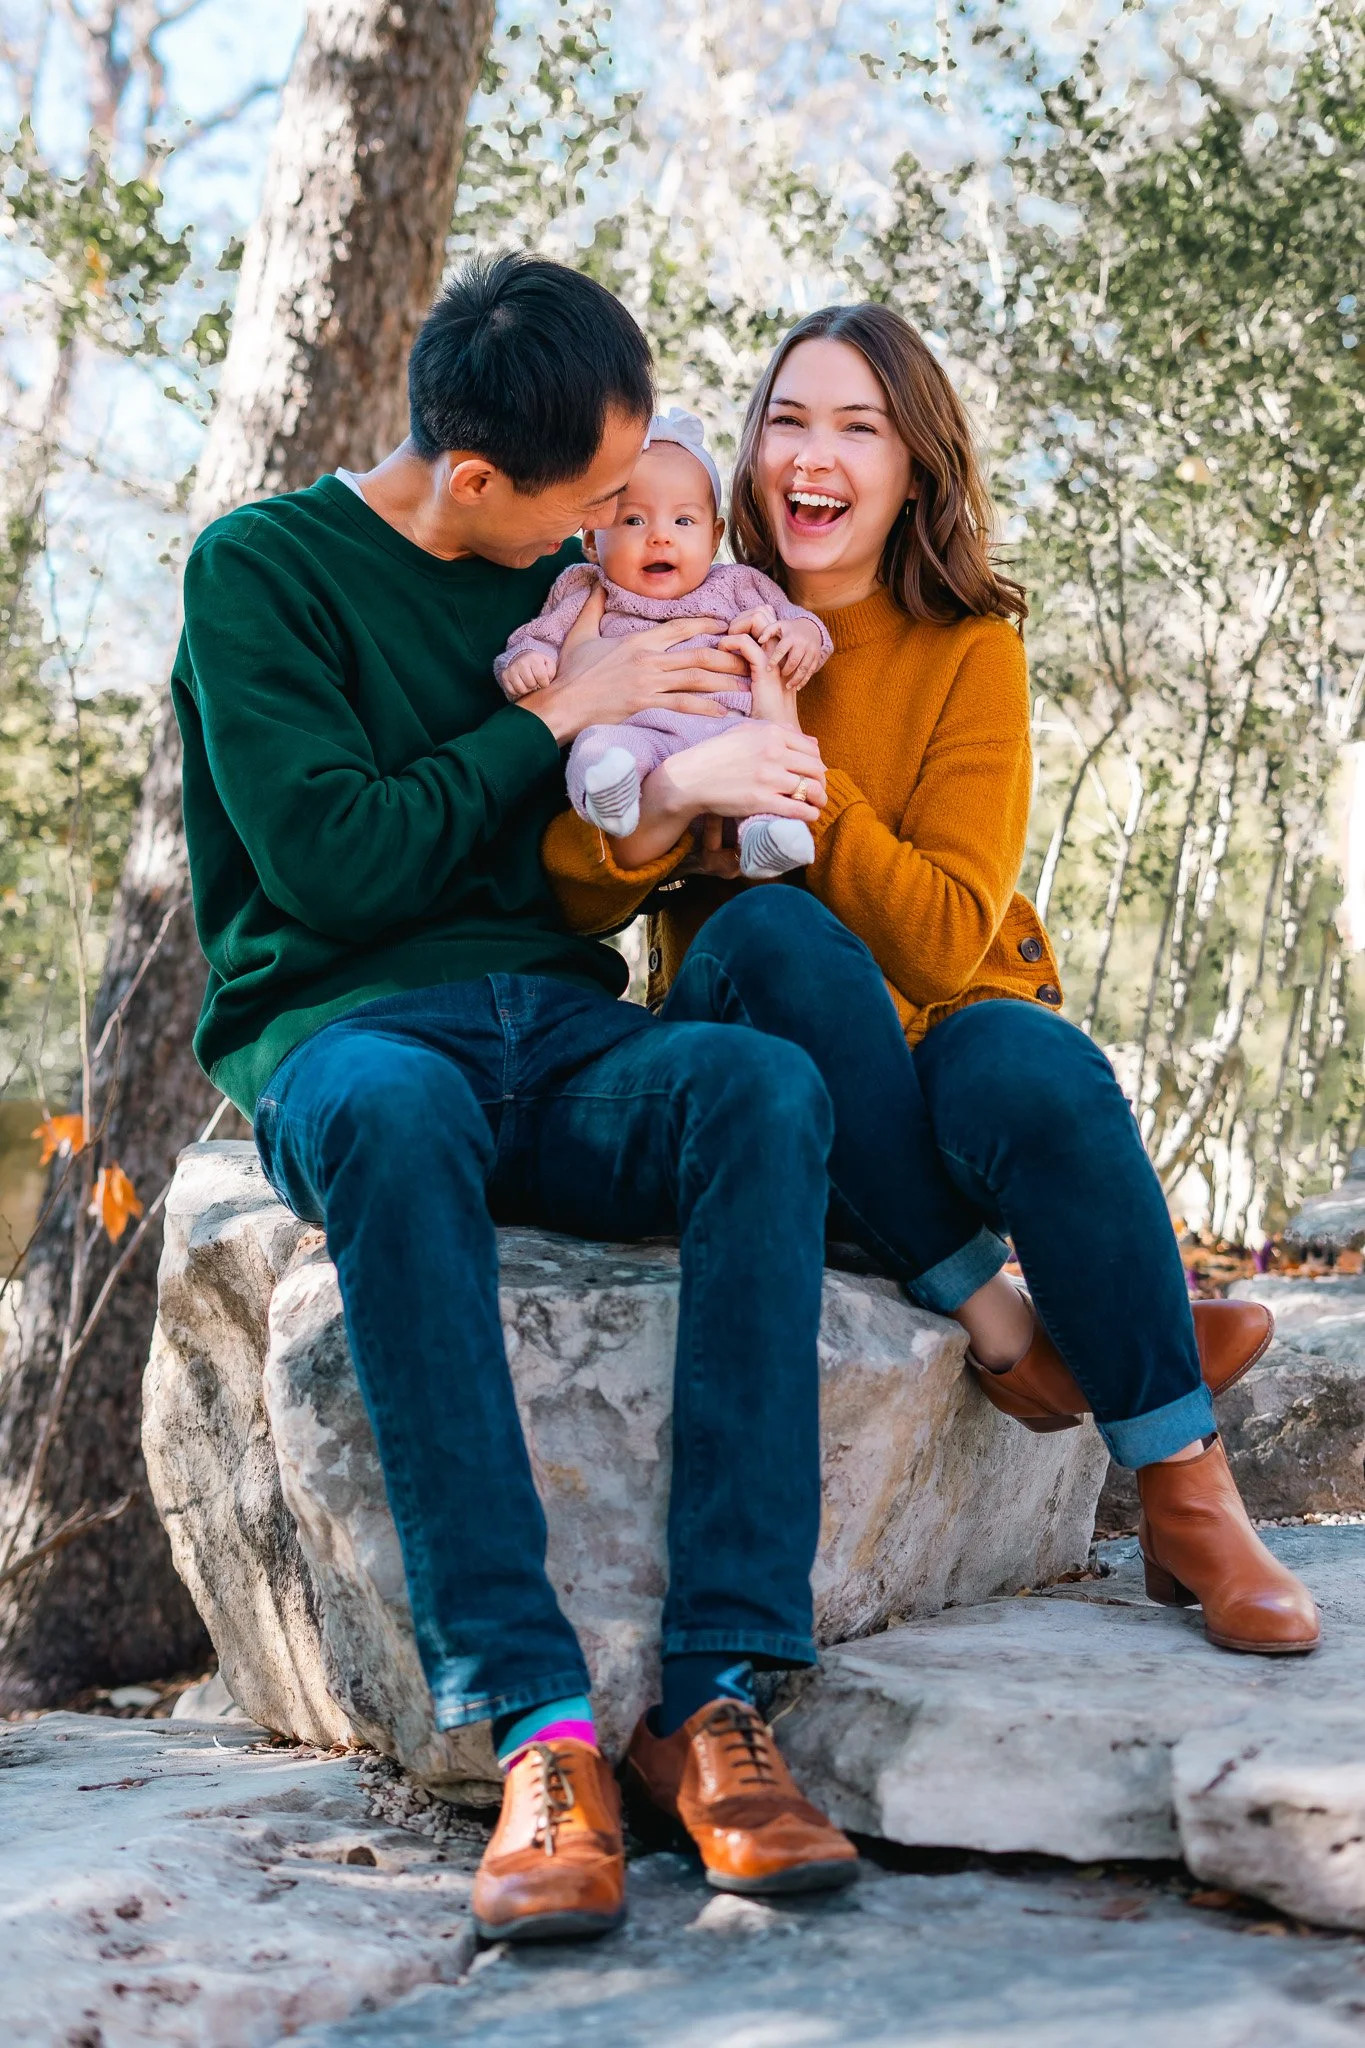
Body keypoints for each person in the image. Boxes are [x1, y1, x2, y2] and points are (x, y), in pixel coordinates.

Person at [172, 253, 858, 1947]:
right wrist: (554, 716)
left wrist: (669, 784)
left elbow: (572, 891)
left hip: (556, 1031)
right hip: (349, 1031)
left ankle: (713, 1697)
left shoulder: (568, 574)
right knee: (399, 1124)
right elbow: (329, 864)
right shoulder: (262, 571)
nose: (617, 522)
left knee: (758, 1090)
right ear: (475, 475)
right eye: (592, 493)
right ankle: (541, 1719)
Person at [544, 300, 1320, 1661]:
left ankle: (1190, 1501)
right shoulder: (661, 602)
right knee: (776, 940)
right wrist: (675, 783)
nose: (812, 454)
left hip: (925, 1055)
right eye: (787, 419)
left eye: (858, 424)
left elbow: (947, 940)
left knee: (1039, 1064)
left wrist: (797, 777)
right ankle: (1022, 1327)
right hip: (774, 1078)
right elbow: (575, 881)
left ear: (913, 467)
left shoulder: (970, 650)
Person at [496, 405, 830, 877]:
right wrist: (526, 660)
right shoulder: (585, 589)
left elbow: (797, 619)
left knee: (769, 752)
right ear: (592, 541)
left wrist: (802, 634)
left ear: (715, 537)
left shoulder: (738, 586)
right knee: (599, 745)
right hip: (638, 733)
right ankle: (610, 797)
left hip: (728, 733)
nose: (660, 538)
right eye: (633, 521)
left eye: (684, 522)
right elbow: (539, 639)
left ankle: (767, 835)